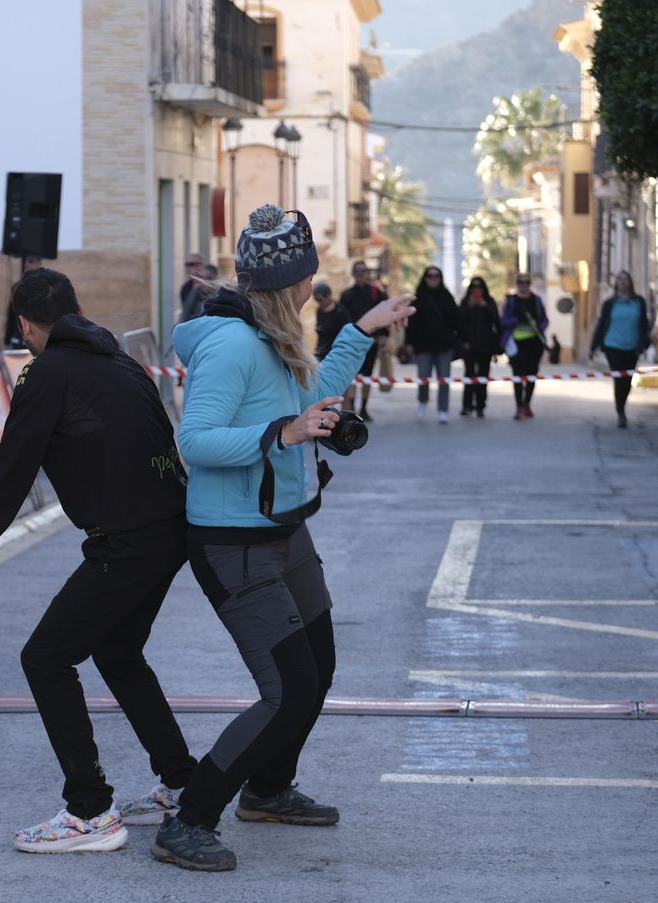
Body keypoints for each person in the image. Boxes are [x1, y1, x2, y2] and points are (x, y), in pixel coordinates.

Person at [159, 204, 411, 872]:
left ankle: (268, 789)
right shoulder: (234, 345)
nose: (310, 288)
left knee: (319, 667)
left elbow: (314, 392)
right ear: (285, 281)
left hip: (283, 529)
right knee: (287, 688)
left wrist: (360, 330)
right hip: (232, 542)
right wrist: (282, 435)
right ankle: (190, 818)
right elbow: (196, 440)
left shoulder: (273, 334)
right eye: (304, 278)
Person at [0, 268, 198, 855]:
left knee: (45, 658)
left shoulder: (46, 373)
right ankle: (182, 781)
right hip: (170, 529)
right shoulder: (122, 360)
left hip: (126, 540)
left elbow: (6, 476)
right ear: (76, 309)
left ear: (25, 325)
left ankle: (90, 811)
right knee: (118, 652)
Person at [589, 271, 653, 429]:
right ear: (616, 283)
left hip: (632, 346)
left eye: (625, 279)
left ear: (630, 282)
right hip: (613, 345)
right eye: (619, 279)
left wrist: (644, 344)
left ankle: (622, 405)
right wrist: (593, 347)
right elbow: (602, 324)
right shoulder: (610, 303)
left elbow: (644, 324)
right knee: (618, 378)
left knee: (628, 379)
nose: (622, 282)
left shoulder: (639, 301)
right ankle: (621, 412)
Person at [405, 266, 460, 424]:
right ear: (425, 278)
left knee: (444, 379)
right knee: (423, 377)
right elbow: (411, 323)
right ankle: (422, 401)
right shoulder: (418, 298)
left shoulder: (447, 297)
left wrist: (464, 339)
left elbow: (456, 320)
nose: (433, 279)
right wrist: (408, 343)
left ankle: (443, 410)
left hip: (444, 346)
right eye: (430, 276)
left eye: (436, 276)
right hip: (423, 347)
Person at [339, 261, 388, 421]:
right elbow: (342, 319)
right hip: (353, 341)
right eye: (357, 271)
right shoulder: (347, 295)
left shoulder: (376, 293)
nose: (361, 274)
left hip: (371, 341)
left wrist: (384, 334)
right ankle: (351, 408)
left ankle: (364, 408)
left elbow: (385, 314)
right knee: (352, 375)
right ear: (353, 274)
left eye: (363, 271)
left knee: (367, 375)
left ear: (367, 273)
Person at [500, 274, 549, 419]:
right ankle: (519, 406)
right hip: (516, 343)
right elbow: (503, 321)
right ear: (517, 284)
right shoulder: (511, 301)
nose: (523, 285)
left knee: (531, 374)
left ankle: (527, 404)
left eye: (526, 282)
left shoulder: (537, 300)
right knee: (518, 374)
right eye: (520, 282)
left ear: (530, 284)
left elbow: (545, 320)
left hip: (534, 343)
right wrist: (516, 320)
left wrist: (539, 327)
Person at [457, 276, 500, 418]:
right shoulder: (465, 303)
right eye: (474, 287)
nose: (476, 290)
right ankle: (467, 405)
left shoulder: (489, 302)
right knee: (469, 375)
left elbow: (497, 322)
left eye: (479, 287)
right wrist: (469, 307)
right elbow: (459, 322)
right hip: (469, 346)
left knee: (483, 376)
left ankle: (481, 406)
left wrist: (485, 306)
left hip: (486, 346)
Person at [1, 256, 44, 349]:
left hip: (39, 341)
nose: (26, 265)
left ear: (39, 263)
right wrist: (7, 340)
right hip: (19, 339)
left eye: (31, 261)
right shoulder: (17, 287)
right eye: (25, 261)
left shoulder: (46, 288)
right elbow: (11, 315)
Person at [311, 282, 351, 360]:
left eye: (320, 299)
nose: (318, 303)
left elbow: (347, 334)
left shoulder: (341, 311)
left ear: (328, 296)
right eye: (316, 299)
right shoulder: (319, 311)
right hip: (321, 354)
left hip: (336, 355)